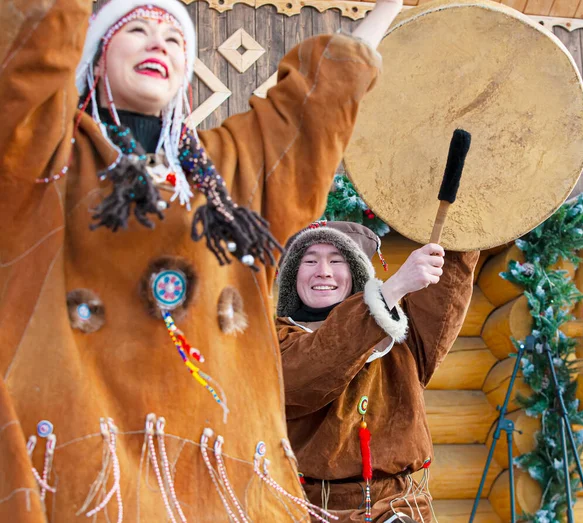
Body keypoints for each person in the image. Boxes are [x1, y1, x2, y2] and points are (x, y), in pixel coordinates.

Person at [0, 0, 405, 520]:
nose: (157, 44)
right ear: (96, 57)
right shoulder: (44, 154)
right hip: (75, 457)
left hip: (213, 470)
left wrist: (389, 6)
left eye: (173, 40)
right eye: (137, 30)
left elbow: (313, 111)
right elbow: (26, 68)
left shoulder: (227, 173)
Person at [277, 221, 479, 522]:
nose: (323, 271)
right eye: (309, 260)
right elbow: (307, 373)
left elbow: (446, 281)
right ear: (293, 274)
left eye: (337, 260)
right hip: (303, 511)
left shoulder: (403, 337)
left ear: (357, 273)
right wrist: (390, 291)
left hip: (398, 509)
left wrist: (463, 218)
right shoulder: (273, 340)